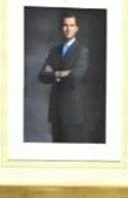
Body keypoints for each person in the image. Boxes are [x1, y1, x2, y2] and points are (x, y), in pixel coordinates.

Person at [39, 11, 91, 142]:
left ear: (77, 28)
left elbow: (77, 74)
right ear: (61, 28)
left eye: (71, 25)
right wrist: (59, 73)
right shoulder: (54, 51)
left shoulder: (82, 51)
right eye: (65, 25)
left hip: (73, 111)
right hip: (56, 110)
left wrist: (54, 72)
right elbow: (42, 75)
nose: (68, 29)